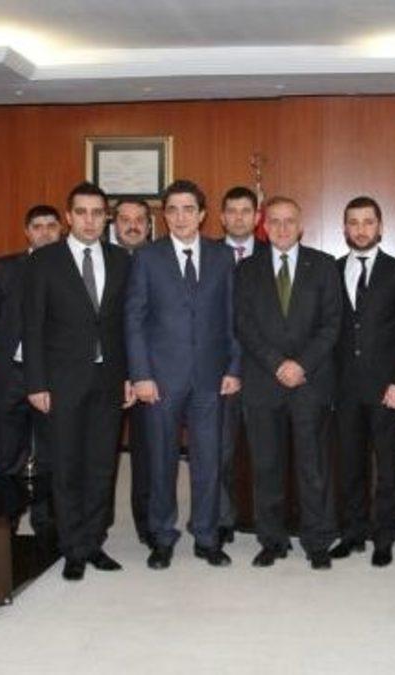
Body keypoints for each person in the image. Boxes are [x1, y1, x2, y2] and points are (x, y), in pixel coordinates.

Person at [23, 181, 136, 582]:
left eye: (97, 213)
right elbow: (32, 326)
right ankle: (72, 547)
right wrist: (36, 382)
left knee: (103, 465)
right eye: (82, 213)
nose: (90, 221)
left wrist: (130, 375)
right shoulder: (44, 261)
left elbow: (126, 325)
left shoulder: (121, 260)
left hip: (109, 379)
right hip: (61, 381)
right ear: (69, 217)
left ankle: (93, 541)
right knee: (67, 465)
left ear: (107, 218)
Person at [126, 179, 241, 569]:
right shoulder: (147, 257)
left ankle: (207, 537)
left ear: (202, 214)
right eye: (172, 210)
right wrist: (141, 375)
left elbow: (232, 317)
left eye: (188, 209)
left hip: (211, 378)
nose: (180, 217)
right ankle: (162, 537)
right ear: (164, 215)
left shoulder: (222, 257)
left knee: (209, 461)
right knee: (162, 462)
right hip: (160, 380)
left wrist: (234, 367)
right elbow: (134, 320)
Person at [234, 196, 341, 570]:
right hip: (264, 381)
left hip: (310, 382)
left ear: (301, 226)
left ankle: (318, 541)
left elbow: (332, 324)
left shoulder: (324, 265)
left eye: (289, 221)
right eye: (275, 221)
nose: (282, 228)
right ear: (264, 226)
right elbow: (243, 324)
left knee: (313, 467)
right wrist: (278, 364)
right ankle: (272, 540)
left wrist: (301, 364)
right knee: (266, 466)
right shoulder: (247, 269)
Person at [330, 196, 395, 567]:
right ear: (345, 228)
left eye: (368, 222)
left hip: (387, 389)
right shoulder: (332, 270)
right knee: (349, 466)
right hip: (344, 388)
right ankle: (352, 533)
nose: (361, 229)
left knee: (388, 467)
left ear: (380, 227)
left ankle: (384, 539)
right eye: (354, 222)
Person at [0, 204, 62, 476]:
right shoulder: (4, 268)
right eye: (37, 227)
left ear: (61, 230)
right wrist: (8, 348)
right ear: (27, 232)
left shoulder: (73, 269)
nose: (45, 233)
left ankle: (47, 506)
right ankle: (10, 504)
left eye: (51, 226)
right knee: (11, 453)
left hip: (55, 374)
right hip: (12, 375)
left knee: (53, 454)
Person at [217, 186, 266, 543]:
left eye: (245, 211)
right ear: (221, 217)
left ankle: (268, 519)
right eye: (231, 211)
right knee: (221, 450)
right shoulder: (205, 254)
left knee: (267, 451)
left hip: (265, 368)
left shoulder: (275, 253)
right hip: (219, 371)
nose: (238, 218)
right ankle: (223, 519)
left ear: (257, 216)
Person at [112, 197, 154, 546]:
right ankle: (96, 524)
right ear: (114, 225)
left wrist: (140, 373)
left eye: (139, 219)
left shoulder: (161, 259)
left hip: (149, 374)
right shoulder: (102, 260)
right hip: (105, 373)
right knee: (99, 456)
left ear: (150, 225)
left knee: (147, 456)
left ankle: (147, 524)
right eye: (125, 219)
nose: (133, 225)